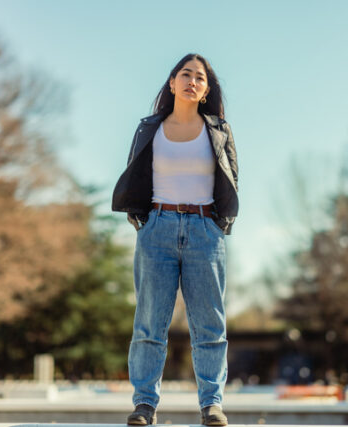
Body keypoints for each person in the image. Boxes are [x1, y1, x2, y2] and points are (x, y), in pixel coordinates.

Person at [112, 53, 239, 426]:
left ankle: (212, 405)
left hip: (205, 231)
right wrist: (145, 222)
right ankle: (144, 405)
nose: (192, 81)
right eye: (185, 74)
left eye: (200, 78)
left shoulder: (218, 130)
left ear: (205, 90)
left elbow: (232, 177)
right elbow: (136, 176)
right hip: (157, 228)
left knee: (210, 325)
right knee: (149, 323)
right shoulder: (149, 128)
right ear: (172, 83)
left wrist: (219, 225)